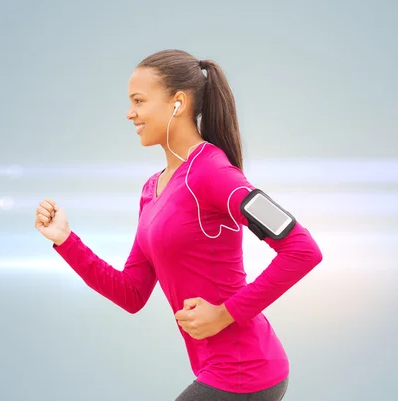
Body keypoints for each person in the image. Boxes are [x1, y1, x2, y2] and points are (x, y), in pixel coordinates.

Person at [34, 49, 323, 401]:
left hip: (245, 371)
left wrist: (225, 314)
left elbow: (302, 250)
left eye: (139, 101)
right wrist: (66, 240)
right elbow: (132, 293)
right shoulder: (151, 191)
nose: (130, 113)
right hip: (217, 372)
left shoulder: (214, 173)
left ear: (178, 103)